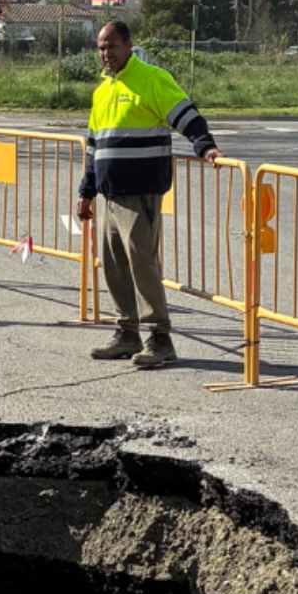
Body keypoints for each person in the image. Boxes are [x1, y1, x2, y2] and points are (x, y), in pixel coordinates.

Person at [74, 21, 221, 368]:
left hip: (140, 192)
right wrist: (87, 190)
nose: (106, 54)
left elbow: (187, 115)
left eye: (111, 46)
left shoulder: (152, 78)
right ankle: (127, 333)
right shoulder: (102, 91)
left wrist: (206, 147)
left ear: (128, 45)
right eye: (100, 47)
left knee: (142, 265)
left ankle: (160, 337)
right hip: (110, 194)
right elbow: (95, 147)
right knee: (114, 267)